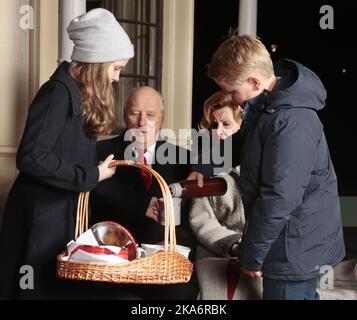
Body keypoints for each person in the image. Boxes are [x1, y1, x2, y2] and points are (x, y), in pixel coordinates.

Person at [0, 8, 134, 300]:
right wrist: (91, 174)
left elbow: (72, 162)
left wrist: (98, 174)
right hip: (40, 215)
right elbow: (31, 156)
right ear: (97, 63)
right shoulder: (57, 93)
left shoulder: (77, 96)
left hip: (58, 214)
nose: (115, 78)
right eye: (116, 68)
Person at [204, 35, 346, 300]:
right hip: (295, 241)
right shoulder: (270, 105)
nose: (232, 100)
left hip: (293, 248)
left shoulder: (290, 122)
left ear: (255, 82)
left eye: (233, 91)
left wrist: (252, 255)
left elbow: (280, 197)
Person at [90, 86, 198, 299]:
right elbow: (94, 191)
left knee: (182, 294)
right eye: (134, 113)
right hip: (114, 268)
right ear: (124, 115)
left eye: (150, 115)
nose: (141, 122)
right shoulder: (100, 153)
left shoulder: (185, 159)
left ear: (162, 119)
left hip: (164, 269)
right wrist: (140, 205)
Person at [189, 91, 262, 299]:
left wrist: (254, 248)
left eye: (226, 124)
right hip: (216, 255)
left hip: (259, 255)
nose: (218, 132)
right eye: (214, 126)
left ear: (243, 126)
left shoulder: (261, 166)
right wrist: (234, 244)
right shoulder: (203, 169)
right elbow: (201, 220)